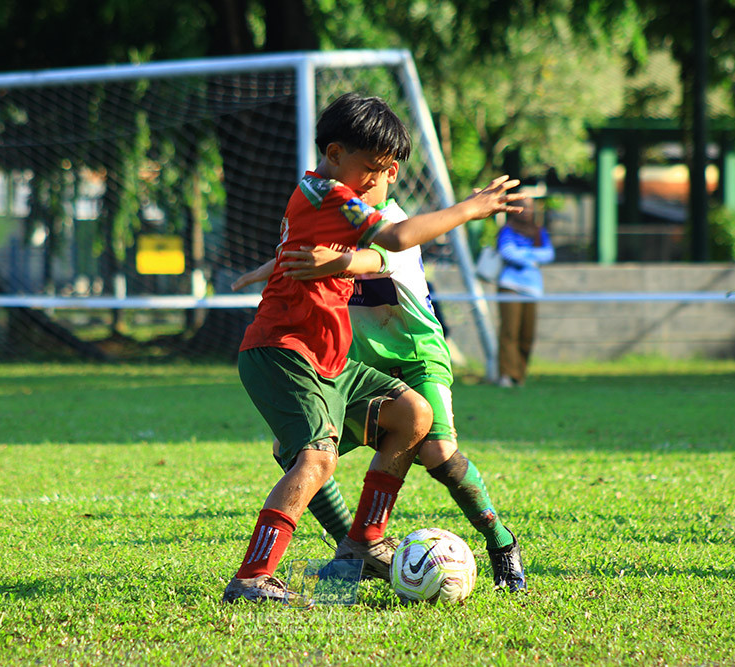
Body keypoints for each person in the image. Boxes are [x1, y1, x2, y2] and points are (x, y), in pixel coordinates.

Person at [223, 92, 523, 603]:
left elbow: (382, 253)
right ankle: (256, 575)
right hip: (292, 349)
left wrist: (313, 263)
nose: (380, 179)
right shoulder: (335, 197)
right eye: (372, 167)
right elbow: (393, 239)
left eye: (387, 169)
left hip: (370, 353)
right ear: (335, 153)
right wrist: (471, 208)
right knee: (311, 458)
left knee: (417, 420)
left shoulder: (338, 199)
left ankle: (380, 541)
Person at [494, 196, 554, 387]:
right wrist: (533, 258)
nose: (527, 211)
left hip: (532, 289)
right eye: (522, 207)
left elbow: (548, 254)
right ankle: (506, 374)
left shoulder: (538, 231)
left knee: (527, 335)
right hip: (510, 286)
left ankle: (519, 375)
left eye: (529, 207)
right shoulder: (507, 230)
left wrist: (523, 254)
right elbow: (507, 252)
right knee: (509, 332)